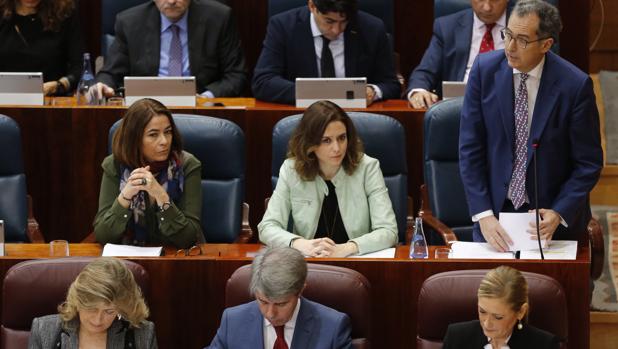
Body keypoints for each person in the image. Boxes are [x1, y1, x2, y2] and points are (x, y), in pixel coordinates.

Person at [459, 0, 603, 251]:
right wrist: (483, 214)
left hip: (550, 219)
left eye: (522, 40)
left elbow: (588, 163)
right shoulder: (483, 72)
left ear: (546, 45)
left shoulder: (575, 86)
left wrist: (559, 211)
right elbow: (470, 149)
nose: (510, 47)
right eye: (508, 35)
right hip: (494, 216)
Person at [258, 100, 398, 257]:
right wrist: (299, 244)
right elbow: (267, 227)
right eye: (326, 140)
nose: (337, 148)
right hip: (309, 264)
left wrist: (346, 249)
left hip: (355, 262)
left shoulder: (367, 167)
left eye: (342, 138)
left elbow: (389, 231)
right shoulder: (291, 170)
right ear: (310, 143)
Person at [93, 98, 202, 248]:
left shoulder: (187, 165)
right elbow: (103, 235)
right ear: (134, 139)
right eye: (153, 134)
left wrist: (161, 195)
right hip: (128, 260)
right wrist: (125, 196)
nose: (164, 141)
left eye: (168, 132)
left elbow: (188, 238)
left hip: (177, 258)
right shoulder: (114, 165)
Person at [252, 0, 400, 106]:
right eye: (329, 21)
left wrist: (372, 91)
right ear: (311, 6)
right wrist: (319, 93)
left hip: (356, 116)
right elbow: (263, 82)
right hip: (302, 117)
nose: (336, 30)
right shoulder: (283, 26)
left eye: (343, 22)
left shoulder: (372, 28)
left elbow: (391, 84)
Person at [94, 0, 247, 98]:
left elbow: (236, 75)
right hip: (146, 110)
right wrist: (103, 85)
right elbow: (110, 73)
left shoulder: (219, 18)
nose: (172, 1)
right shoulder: (129, 22)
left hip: (201, 109)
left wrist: (206, 97)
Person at [206, 247, 352, 348]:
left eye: (281, 304)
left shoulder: (333, 327)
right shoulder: (232, 321)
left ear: (300, 290)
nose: (270, 313)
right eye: (263, 301)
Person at [28, 257, 157, 349]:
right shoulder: (43, 330)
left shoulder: (143, 334)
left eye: (109, 311)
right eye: (91, 308)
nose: (98, 320)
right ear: (77, 301)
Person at [407, 0, 509, 109]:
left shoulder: (524, 25)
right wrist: (418, 91)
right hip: (458, 108)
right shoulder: (447, 27)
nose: (487, 7)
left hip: (509, 106)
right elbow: (425, 72)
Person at [442, 266, 559, 349]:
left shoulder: (544, 345)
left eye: (498, 317)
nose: (487, 324)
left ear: (521, 312)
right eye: (482, 311)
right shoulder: (456, 337)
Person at [0, 0, 82, 96]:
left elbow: (80, 67)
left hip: (52, 100)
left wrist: (60, 85)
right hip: (4, 100)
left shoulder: (64, 12)